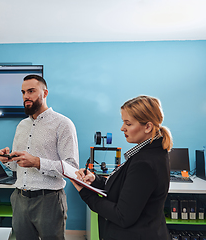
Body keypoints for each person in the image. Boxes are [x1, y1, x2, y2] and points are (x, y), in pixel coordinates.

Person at [71, 95, 173, 240]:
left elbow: (122, 216)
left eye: (128, 124)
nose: (122, 128)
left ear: (148, 127)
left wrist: (85, 192)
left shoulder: (144, 163)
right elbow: (126, 187)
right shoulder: (151, 152)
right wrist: (95, 179)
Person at [0, 75, 79, 240]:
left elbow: (71, 168)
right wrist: (7, 159)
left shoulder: (63, 124)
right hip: (20, 199)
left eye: (31, 91)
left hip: (49, 201)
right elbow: (17, 166)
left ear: (45, 93)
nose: (26, 96)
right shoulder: (22, 125)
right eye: (23, 92)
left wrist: (37, 162)